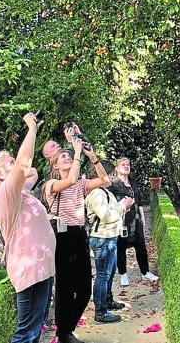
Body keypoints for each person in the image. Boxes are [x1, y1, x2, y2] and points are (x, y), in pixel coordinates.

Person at [0, 112, 55, 343]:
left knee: (35, 328)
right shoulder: (5, 195)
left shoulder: (20, 192)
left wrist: (14, 165)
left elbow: (30, 171)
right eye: (7, 164)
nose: (13, 164)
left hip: (42, 268)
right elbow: (25, 165)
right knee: (25, 333)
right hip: (29, 270)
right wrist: (31, 130)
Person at [42, 135, 109, 343]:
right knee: (65, 288)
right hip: (63, 236)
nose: (67, 158)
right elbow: (69, 180)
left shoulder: (81, 183)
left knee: (84, 290)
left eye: (68, 156)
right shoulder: (51, 184)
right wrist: (77, 151)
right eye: (62, 157)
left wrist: (91, 155)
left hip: (80, 234)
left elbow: (105, 181)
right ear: (54, 166)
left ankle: (66, 330)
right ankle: (64, 334)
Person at [85, 160, 134, 323]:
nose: (113, 177)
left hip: (109, 238)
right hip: (102, 239)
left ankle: (107, 301)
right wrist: (123, 206)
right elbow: (106, 216)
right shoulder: (98, 193)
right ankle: (100, 311)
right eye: (111, 173)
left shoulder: (105, 191)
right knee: (102, 276)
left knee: (109, 273)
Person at [110, 157, 159, 286]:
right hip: (122, 221)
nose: (126, 166)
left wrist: (142, 217)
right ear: (117, 168)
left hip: (136, 220)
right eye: (123, 165)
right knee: (121, 247)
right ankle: (123, 274)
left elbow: (139, 200)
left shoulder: (133, 182)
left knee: (141, 247)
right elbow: (111, 203)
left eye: (128, 164)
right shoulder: (113, 184)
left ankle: (145, 272)